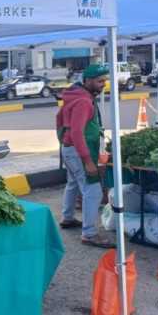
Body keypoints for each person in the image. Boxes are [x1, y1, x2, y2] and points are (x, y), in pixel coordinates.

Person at [56, 64, 115, 248]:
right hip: (79, 150)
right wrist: (88, 160)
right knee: (93, 190)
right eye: (99, 81)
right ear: (88, 80)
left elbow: (59, 120)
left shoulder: (75, 95)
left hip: (69, 149)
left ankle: (67, 218)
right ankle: (89, 234)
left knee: (73, 183)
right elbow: (77, 133)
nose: (103, 84)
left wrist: (64, 143)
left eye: (104, 80)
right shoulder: (83, 101)